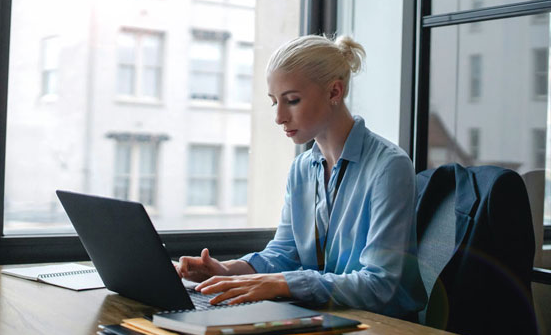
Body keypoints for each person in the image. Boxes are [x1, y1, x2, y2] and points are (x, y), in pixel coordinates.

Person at [176, 35, 427, 319]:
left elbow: (380, 284)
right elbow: (284, 253)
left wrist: (284, 283)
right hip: (322, 318)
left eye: (292, 100)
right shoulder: (302, 169)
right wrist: (228, 270)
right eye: (274, 103)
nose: (279, 117)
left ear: (334, 92)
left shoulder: (389, 167)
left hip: (385, 331)